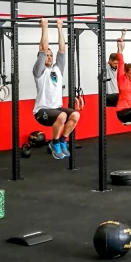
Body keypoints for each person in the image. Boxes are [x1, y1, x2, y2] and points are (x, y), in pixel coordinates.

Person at [32, 18, 81, 159]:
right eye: (46, 56)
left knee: (75, 115)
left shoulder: (57, 69)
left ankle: (61, 141)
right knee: (62, 115)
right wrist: (45, 27)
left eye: (51, 55)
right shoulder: (39, 71)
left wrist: (60, 28)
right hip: (41, 111)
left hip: (56, 108)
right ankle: (54, 143)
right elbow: (43, 48)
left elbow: (62, 50)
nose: (49, 57)